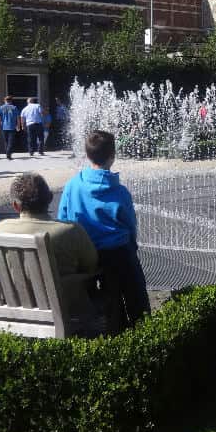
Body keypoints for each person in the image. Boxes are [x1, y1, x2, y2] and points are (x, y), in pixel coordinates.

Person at [58, 130, 150, 330]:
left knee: (110, 301)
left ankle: (114, 328)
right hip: (119, 254)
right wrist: (132, 245)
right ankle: (143, 330)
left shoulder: (72, 185)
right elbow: (130, 225)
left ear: (88, 154)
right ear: (112, 156)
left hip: (86, 256)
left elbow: (63, 220)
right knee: (136, 295)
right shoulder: (119, 191)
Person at [0, 173, 99, 323]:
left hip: (16, 305)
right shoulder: (70, 231)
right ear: (50, 198)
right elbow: (91, 265)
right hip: (65, 310)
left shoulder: (1, 229)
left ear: (16, 205)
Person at [0, 96, 19, 160]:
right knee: (11, 141)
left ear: (4, 100)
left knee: (6, 141)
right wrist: (18, 125)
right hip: (12, 126)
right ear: (11, 101)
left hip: (4, 127)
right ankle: (8, 153)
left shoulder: (1, 108)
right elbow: (18, 118)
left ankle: (7, 153)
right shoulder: (14, 107)